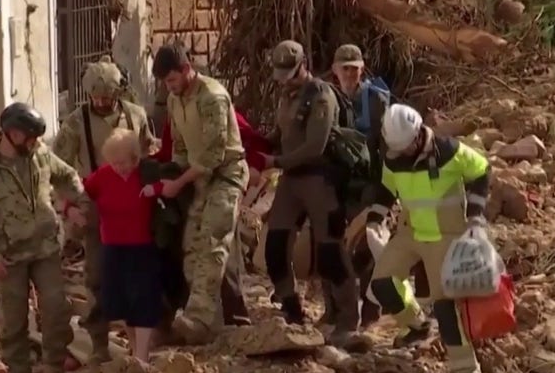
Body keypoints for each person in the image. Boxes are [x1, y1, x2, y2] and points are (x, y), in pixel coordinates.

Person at [0, 102, 90, 373]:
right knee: (16, 323)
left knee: (56, 309)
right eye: (30, 138)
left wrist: (76, 204)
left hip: (45, 249)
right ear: (13, 134)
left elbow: (68, 174)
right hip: (9, 258)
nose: (35, 144)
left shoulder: (41, 155)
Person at [366, 104, 491, 373]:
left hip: (444, 236)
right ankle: (416, 325)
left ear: (419, 134)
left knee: (446, 305)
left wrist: (475, 214)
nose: (401, 154)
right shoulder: (394, 156)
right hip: (409, 232)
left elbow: (482, 171)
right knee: (383, 283)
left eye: (406, 147)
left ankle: (467, 372)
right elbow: (387, 189)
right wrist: (375, 218)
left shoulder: (450, 151)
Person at [259, 39, 369, 351]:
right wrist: (258, 144)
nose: (285, 80)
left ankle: (347, 319)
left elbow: (315, 146)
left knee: (330, 252)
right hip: (291, 181)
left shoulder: (320, 95)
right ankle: (291, 308)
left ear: (303, 66)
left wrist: (275, 162)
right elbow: (282, 135)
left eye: (290, 73)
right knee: (276, 245)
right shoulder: (286, 96)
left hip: (318, 179)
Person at [53, 55, 155, 364]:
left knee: (143, 272)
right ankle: (99, 341)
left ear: (118, 92)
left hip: (137, 202)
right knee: (97, 275)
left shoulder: (135, 115)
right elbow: (58, 168)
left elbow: (149, 153)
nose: (101, 101)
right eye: (95, 96)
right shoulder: (75, 123)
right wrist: (69, 205)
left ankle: (147, 336)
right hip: (96, 202)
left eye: (107, 96)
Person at [151, 43, 249, 344]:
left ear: (185, 69)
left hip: (226, 176)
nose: (169, 87)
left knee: (211, 242)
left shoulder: (213, 97)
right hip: (200, 180)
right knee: (191, 246)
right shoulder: (174, 100)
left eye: (172, 80)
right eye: (166, 83)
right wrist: (166, 174)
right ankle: (210, 316)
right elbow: (181, 149)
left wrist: (178, 184)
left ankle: (199, 319)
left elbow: (212, 156)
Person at [152, 107, 272, 328]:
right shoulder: (177, 112)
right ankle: (177, 318)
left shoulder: (218, 108)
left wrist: (254, 164)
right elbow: (170, 152)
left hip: (218, 189)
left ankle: (235, 318)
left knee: (223, 253)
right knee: (175, 252)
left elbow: (253, 142)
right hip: (186, 193)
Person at [83, 129, 165, 363]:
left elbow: (168, 187)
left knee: (144, 301)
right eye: (114, 163)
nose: (119, 168)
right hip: (113, 248)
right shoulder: (103, 175)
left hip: (142, 248)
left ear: (135, 158)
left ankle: (142, 355)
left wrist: (155, 190)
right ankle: (135, 350)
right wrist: (71, 210)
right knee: (122, 303)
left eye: (123, 163)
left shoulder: (145, 173)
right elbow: (79, 192)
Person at [329, 44, 392, 328]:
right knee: (329, 242)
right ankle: (335, 310)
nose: (350, 74)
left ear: (362, 69)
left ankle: (370, 310)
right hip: (340, 180)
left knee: (368, 244)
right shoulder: (328, 98)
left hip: (369, 181)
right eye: (345, 69)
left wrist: (386, 191)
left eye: (355, 69)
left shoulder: (375, 99)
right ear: (335, 70)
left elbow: (387, 145)